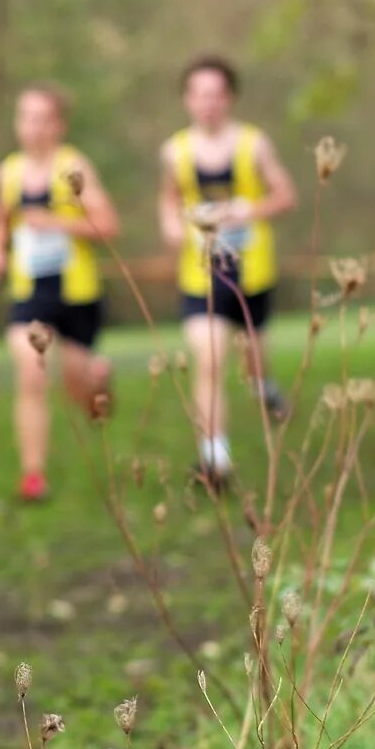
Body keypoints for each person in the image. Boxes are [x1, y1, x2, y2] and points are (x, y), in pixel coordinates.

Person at [156, 57, 296, 487]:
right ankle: (214, 459)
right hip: (200, 275)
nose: (208, 103)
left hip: (251, 271)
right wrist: (172, 227)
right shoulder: (175, 151)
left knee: (252, 357)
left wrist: (248, 210)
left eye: (216, 94)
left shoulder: (253, 145)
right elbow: (168, 200)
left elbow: (285, 195)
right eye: (199, 94)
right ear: (187, 99)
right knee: (211, 359)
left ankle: (264, 385)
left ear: (230, 98)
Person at [0, 87, 119, 502]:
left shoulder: (73, 166)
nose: (33, 127)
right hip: (29, 294)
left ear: (59, 125)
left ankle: (99, 387)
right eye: (25, 117)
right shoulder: (8, 173)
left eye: (42, 118)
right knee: (32, 371)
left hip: (77, 294)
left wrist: (58, 224)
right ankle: (33, 474)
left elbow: (108, 224)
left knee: (83, 394)